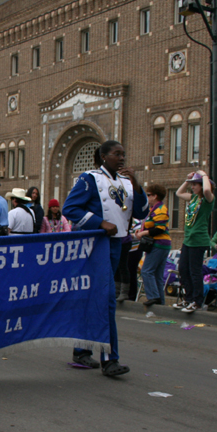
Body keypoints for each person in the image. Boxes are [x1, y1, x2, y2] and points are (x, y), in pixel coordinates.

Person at [62, 140, 148, 376]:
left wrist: (137, 185)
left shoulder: (126, 182)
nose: (121, 158)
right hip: (96, 244)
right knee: (107, 299)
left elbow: (141, 212)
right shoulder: (89, 178)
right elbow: (70, 209)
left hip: (116, 245)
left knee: (92, 298)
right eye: (116, 154)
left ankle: (81, 350)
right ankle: (110, 360)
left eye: (123, 154)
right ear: (103, 156)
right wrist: (100, 223)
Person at [174, 171, 215, 313]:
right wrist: (188, 179)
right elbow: (179, 193)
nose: (192, 187)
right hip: (188, 240)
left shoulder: (208, 200)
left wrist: (203, 174)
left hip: (199, 240)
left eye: (195, 185)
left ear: (202, 185)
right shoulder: (193, 198)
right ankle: (189, 298)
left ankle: (197, 302)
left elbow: (207, 190)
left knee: (195, 272)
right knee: (183, 270)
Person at [136, 184, 171, 306]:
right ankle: (160, 303)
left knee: (146, 271)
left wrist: (144, 233)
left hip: (159, 244)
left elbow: (160, 228)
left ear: (155, 196)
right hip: (161, 245)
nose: (147, 197)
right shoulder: (154, 209)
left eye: (149, 195)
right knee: (157, 275)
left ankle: (153, 297)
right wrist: (141, 231)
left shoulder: (160, 209)